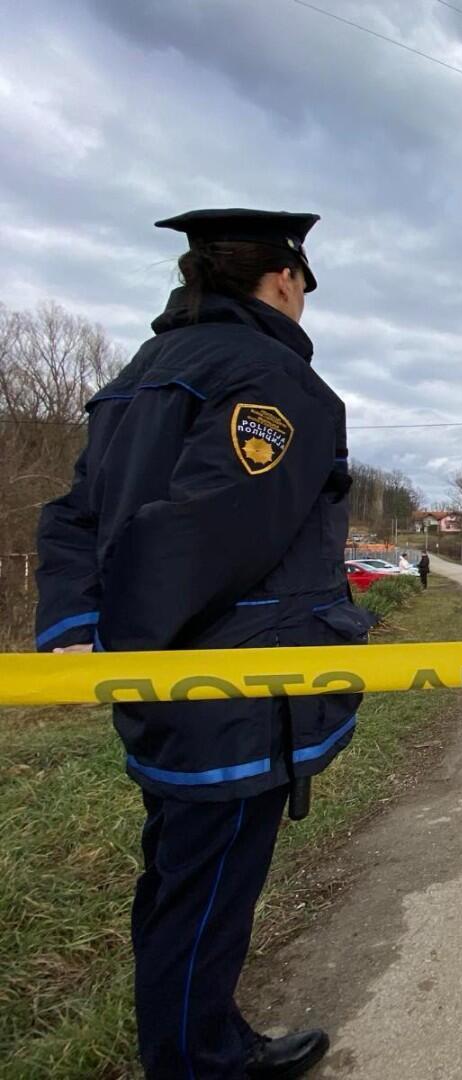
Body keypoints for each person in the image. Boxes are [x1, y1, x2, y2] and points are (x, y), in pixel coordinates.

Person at [34, 208, 365, 1080]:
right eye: (304, 287)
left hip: (172, 686)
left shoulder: (140, 375)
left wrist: (79, 630)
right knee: (206, 894)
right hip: (233, 693)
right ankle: (198, 1061)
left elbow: (71, 519)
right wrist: (129, 641)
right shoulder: (277, 382)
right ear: (283, 279)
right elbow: (208, 530)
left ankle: (200, 1036)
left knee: (179, 881)